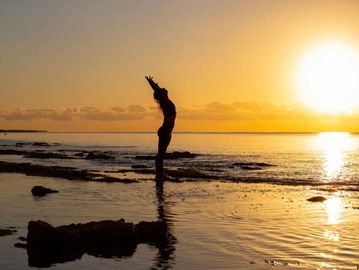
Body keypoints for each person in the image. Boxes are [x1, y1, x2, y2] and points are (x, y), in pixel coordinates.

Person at [145, 76, 176, 181]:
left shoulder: (165, 101)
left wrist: (154, 83)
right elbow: (157, 90)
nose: (164, 88)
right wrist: (150, 82)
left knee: (161, 154)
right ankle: (159, 175)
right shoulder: (165, 102)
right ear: (161, 95)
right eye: (162, 89)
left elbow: (158, 89)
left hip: (166, 131)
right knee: (160, 155)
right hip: (165, 130)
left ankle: (159, 174)